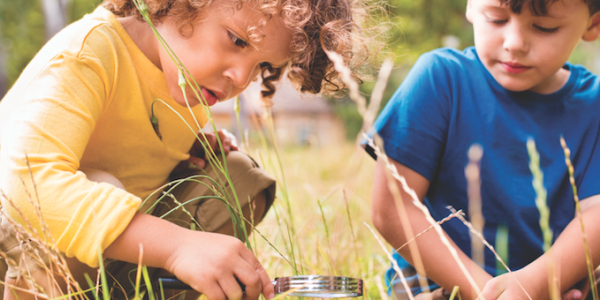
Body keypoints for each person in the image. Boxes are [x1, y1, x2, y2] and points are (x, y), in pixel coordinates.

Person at [0, 0, 366, 299]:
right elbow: (28, 183)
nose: (241, 79)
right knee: (102, 183)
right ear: (176, 5)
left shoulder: (185, 79)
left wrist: (192, 146)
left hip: (101, 259)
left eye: (262, 66)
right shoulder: (89, 52)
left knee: (237, 176)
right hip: (17, 247)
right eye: (237, 41)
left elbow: (128, 136)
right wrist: (177, 247)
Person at [367, 0, 600, 299]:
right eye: (496, 19)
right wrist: (494, 294)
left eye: (545, 27)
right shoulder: (441, 79)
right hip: (441, 286)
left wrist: (541, 283)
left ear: (593, 25)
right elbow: (391, 209)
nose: (515, 44)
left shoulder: (593, 106)